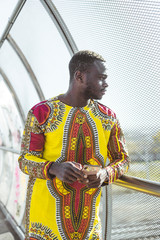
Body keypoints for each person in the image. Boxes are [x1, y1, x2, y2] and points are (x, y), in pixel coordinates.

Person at [18, 50, 130, 240]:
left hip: (89, 228)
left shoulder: (108, 118)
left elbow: (123, 160)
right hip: (44, 223)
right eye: (101, 78)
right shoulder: (41, 113)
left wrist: (105, 174)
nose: (106, 84)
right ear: (79, 76)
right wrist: (54, 168)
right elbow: (25, 160)